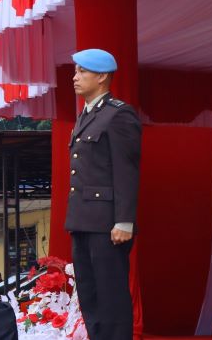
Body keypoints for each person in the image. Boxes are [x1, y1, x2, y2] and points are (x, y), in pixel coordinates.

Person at [65, 48, 141, 339]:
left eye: (82, 71)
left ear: (101, 76)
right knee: (90, 296)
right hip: (83, 220)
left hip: (108, 224)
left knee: (111, 298)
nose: (76, 77)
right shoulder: (86, 116)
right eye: (76, 71)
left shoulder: (118, 115)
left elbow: (126, 170)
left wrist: (124, 220)